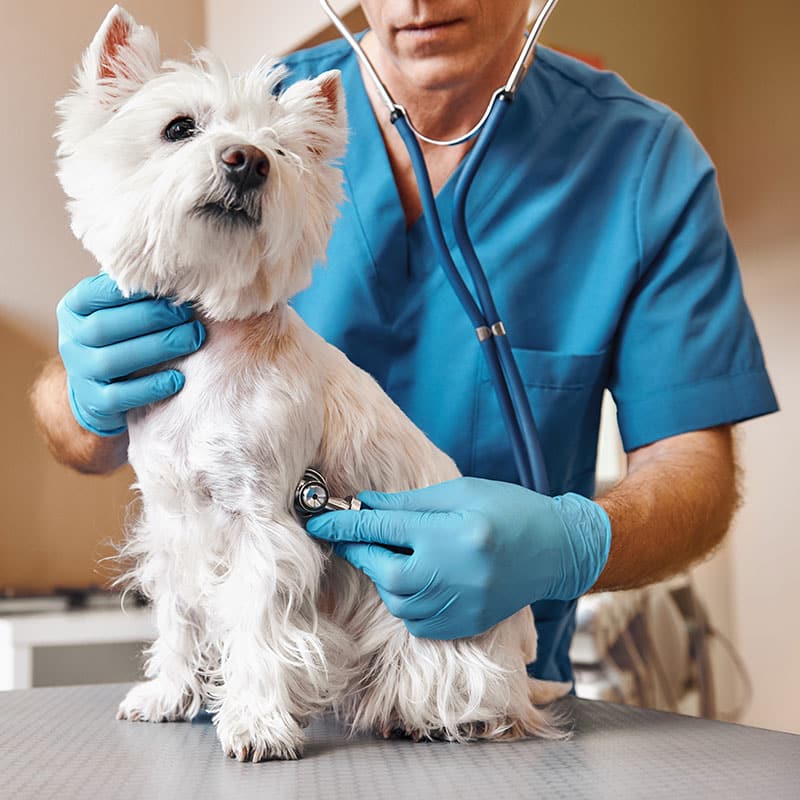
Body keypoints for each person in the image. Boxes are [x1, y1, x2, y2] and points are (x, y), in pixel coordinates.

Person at [32, 1, 778, 685]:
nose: (415, 2)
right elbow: (85, 434)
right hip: (250, 698)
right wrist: (79, 394)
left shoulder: (643, 162)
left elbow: (696, 477)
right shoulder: (254, 118)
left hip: (466, 682)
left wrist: (570, 542)